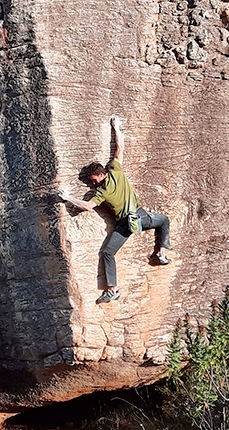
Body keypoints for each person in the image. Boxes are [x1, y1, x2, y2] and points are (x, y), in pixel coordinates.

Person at [59, 116, 172, 304]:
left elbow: (86, 206)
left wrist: (67, 198)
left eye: (93, 178)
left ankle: (159, 255)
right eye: (90, 180)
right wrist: (116, 127)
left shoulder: (102, 191)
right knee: (109, 251)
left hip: (134, 220)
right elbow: (119, 149)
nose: (91, 182)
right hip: (131, 222)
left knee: (162, 221)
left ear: (102, 174)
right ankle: (115, 288)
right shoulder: (114, 171)